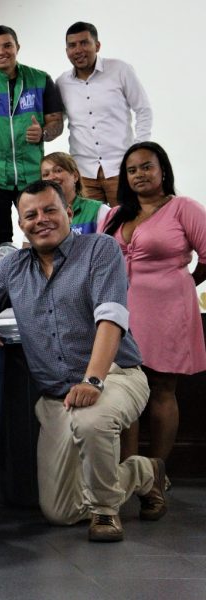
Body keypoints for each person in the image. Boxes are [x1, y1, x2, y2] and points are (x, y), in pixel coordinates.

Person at [0, 180, 167, 543]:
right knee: (60, 512)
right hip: (58, 396)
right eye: (30, 215)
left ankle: (105, 511)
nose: (41, 219)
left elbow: (111, 318)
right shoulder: (14, 266)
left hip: (115, 375)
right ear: (21, 224)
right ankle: (143, 473)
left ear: (69, 212)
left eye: (49, 210)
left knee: (92, 419)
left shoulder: (99, 249)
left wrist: (93, 381)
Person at [100, 142, 206, 463]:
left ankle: (157, 473)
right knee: (124, 385)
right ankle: (130, 471)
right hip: (122, 313)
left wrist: (185, 283)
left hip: (169, 310)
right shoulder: (116, 214)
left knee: (161, 387)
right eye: (132, 170)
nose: (139, 174)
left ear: (163, 171)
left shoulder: (183, 207)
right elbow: (101, 259)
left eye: (147, 166)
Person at [0, 25, 64, 252]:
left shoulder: (41, 80)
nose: (1, 52)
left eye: (7, 45)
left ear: (17, 47)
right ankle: (6, 277)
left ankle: (45, 275)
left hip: (33, 176)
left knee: (42, 235)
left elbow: (56, 122)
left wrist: (44, 133)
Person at [57, 22, 152, 207]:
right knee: (91, 224)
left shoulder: (120, 70)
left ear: (97, 45)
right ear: (67, 51)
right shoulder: (62, 83)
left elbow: (143, 109)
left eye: (84, 43)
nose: (78, 50)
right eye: (72, 45)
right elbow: (57, 120)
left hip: (120, 167)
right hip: (84, 173)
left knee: (128, 220)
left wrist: (139, 148)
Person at [29, 152, 109, 241]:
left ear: (75, 176)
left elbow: (111, 246)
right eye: (46, 174)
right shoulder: (37, 216)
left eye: (58, 170)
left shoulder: (100, 211)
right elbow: (28, 248)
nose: (51, 177)